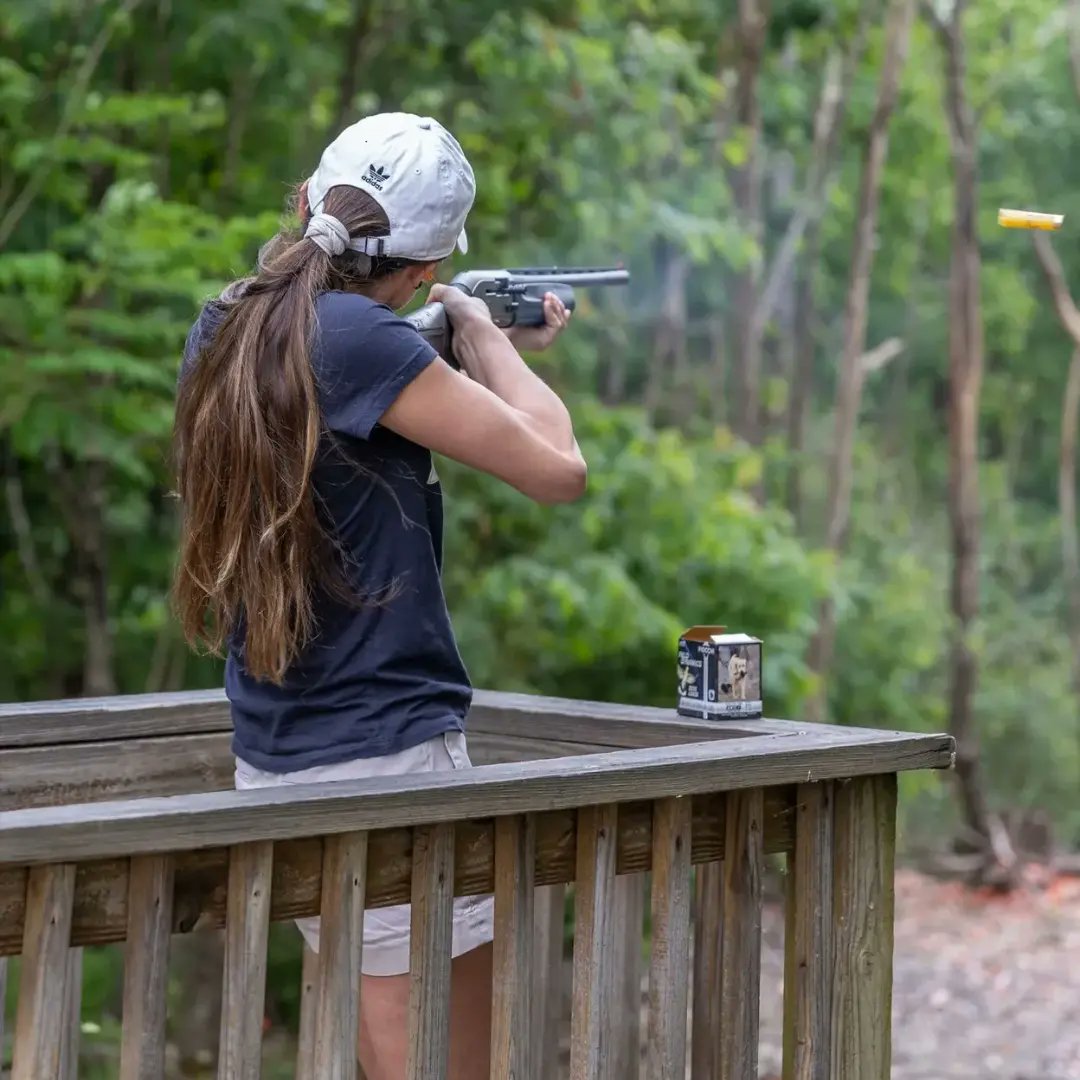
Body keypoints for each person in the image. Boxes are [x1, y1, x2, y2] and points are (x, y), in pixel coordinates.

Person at [171, 112, 586, 1079]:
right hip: (387, 758)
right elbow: (559, 467)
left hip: (280, 755)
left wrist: (439, 334)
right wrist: (485, 334)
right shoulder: (361, 339)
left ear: (309, 202)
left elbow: (345, 403)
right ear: (424, 271)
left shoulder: (227, 324)